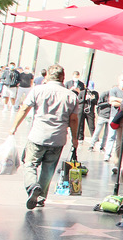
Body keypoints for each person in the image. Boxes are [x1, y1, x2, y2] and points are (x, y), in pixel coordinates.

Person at [9, 64, 79, 210]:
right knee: (48, 168)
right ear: (63, 77)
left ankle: (32, 186)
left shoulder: (38, 90)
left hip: (37, 136)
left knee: (29, 164)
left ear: (47, 76)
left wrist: (14, 127)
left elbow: (24, 108)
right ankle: (40, 198)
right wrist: (74, 138)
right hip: (58, 138)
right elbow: (73, 119)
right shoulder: (71, 96)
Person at [99, 75, 123, 159]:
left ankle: (118, 157)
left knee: (120, 139)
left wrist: (118, 100)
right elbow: (112, 101)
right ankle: (107, 154)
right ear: (118, 81)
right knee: (111, 136)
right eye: (122, 80)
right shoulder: (114, 90)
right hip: (114, 116)